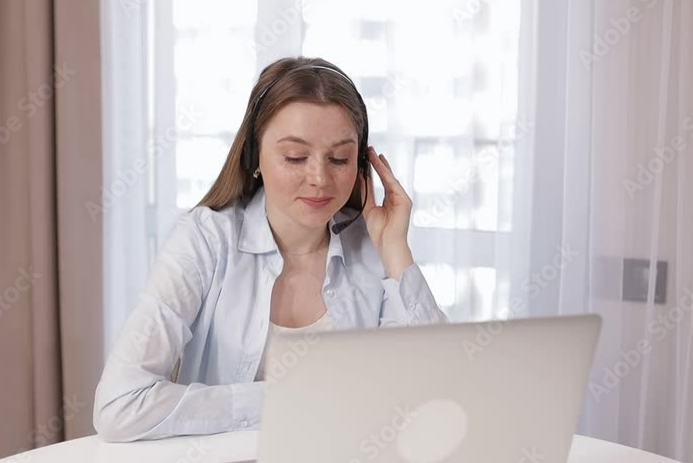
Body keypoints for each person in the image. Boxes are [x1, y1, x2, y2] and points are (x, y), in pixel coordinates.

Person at [92, 57, 449, 442]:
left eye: (340, 158)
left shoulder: (373, 249)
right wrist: (284, 400)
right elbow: (119, 405)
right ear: (254, 157)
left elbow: (440, 394)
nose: (319, 179)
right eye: (295, 157)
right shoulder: (205, 240)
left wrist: (395, 248)